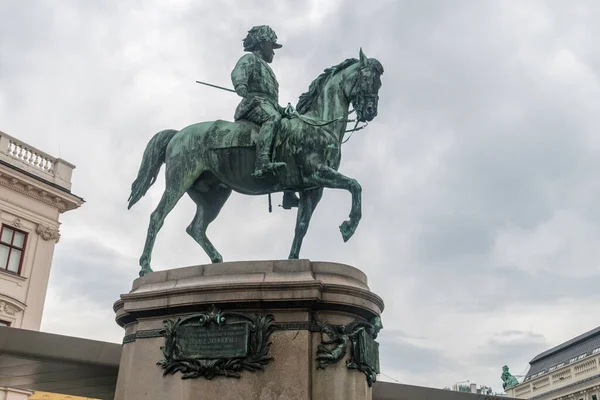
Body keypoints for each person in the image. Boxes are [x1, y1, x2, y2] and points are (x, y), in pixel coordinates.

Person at [231, 25, 299, 208]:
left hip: (267, 105)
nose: (274, 52)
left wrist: (284, 110)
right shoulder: (250, 59)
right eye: (272, 46)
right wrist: (241, 85)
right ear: (262, 44)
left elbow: (271, 101)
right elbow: (238, 72)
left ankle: (289, 191)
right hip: (252, 105)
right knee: (273, 120)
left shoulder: (268, 71)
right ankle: (262, 163)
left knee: (290, 128)